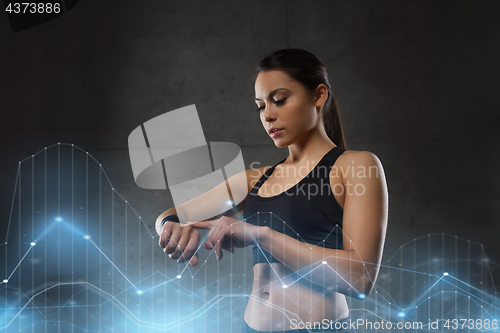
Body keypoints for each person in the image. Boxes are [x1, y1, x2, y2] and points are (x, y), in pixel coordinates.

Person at [155, 49, 388, 333]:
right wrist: (172, 227)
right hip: (250, 326)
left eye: (279, 100)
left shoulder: (356, 166)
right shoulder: (255, 179)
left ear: (319, 95)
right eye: (261, 106)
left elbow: (360, 278)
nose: (268, 115)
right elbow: (172, 213)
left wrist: (260, 235)